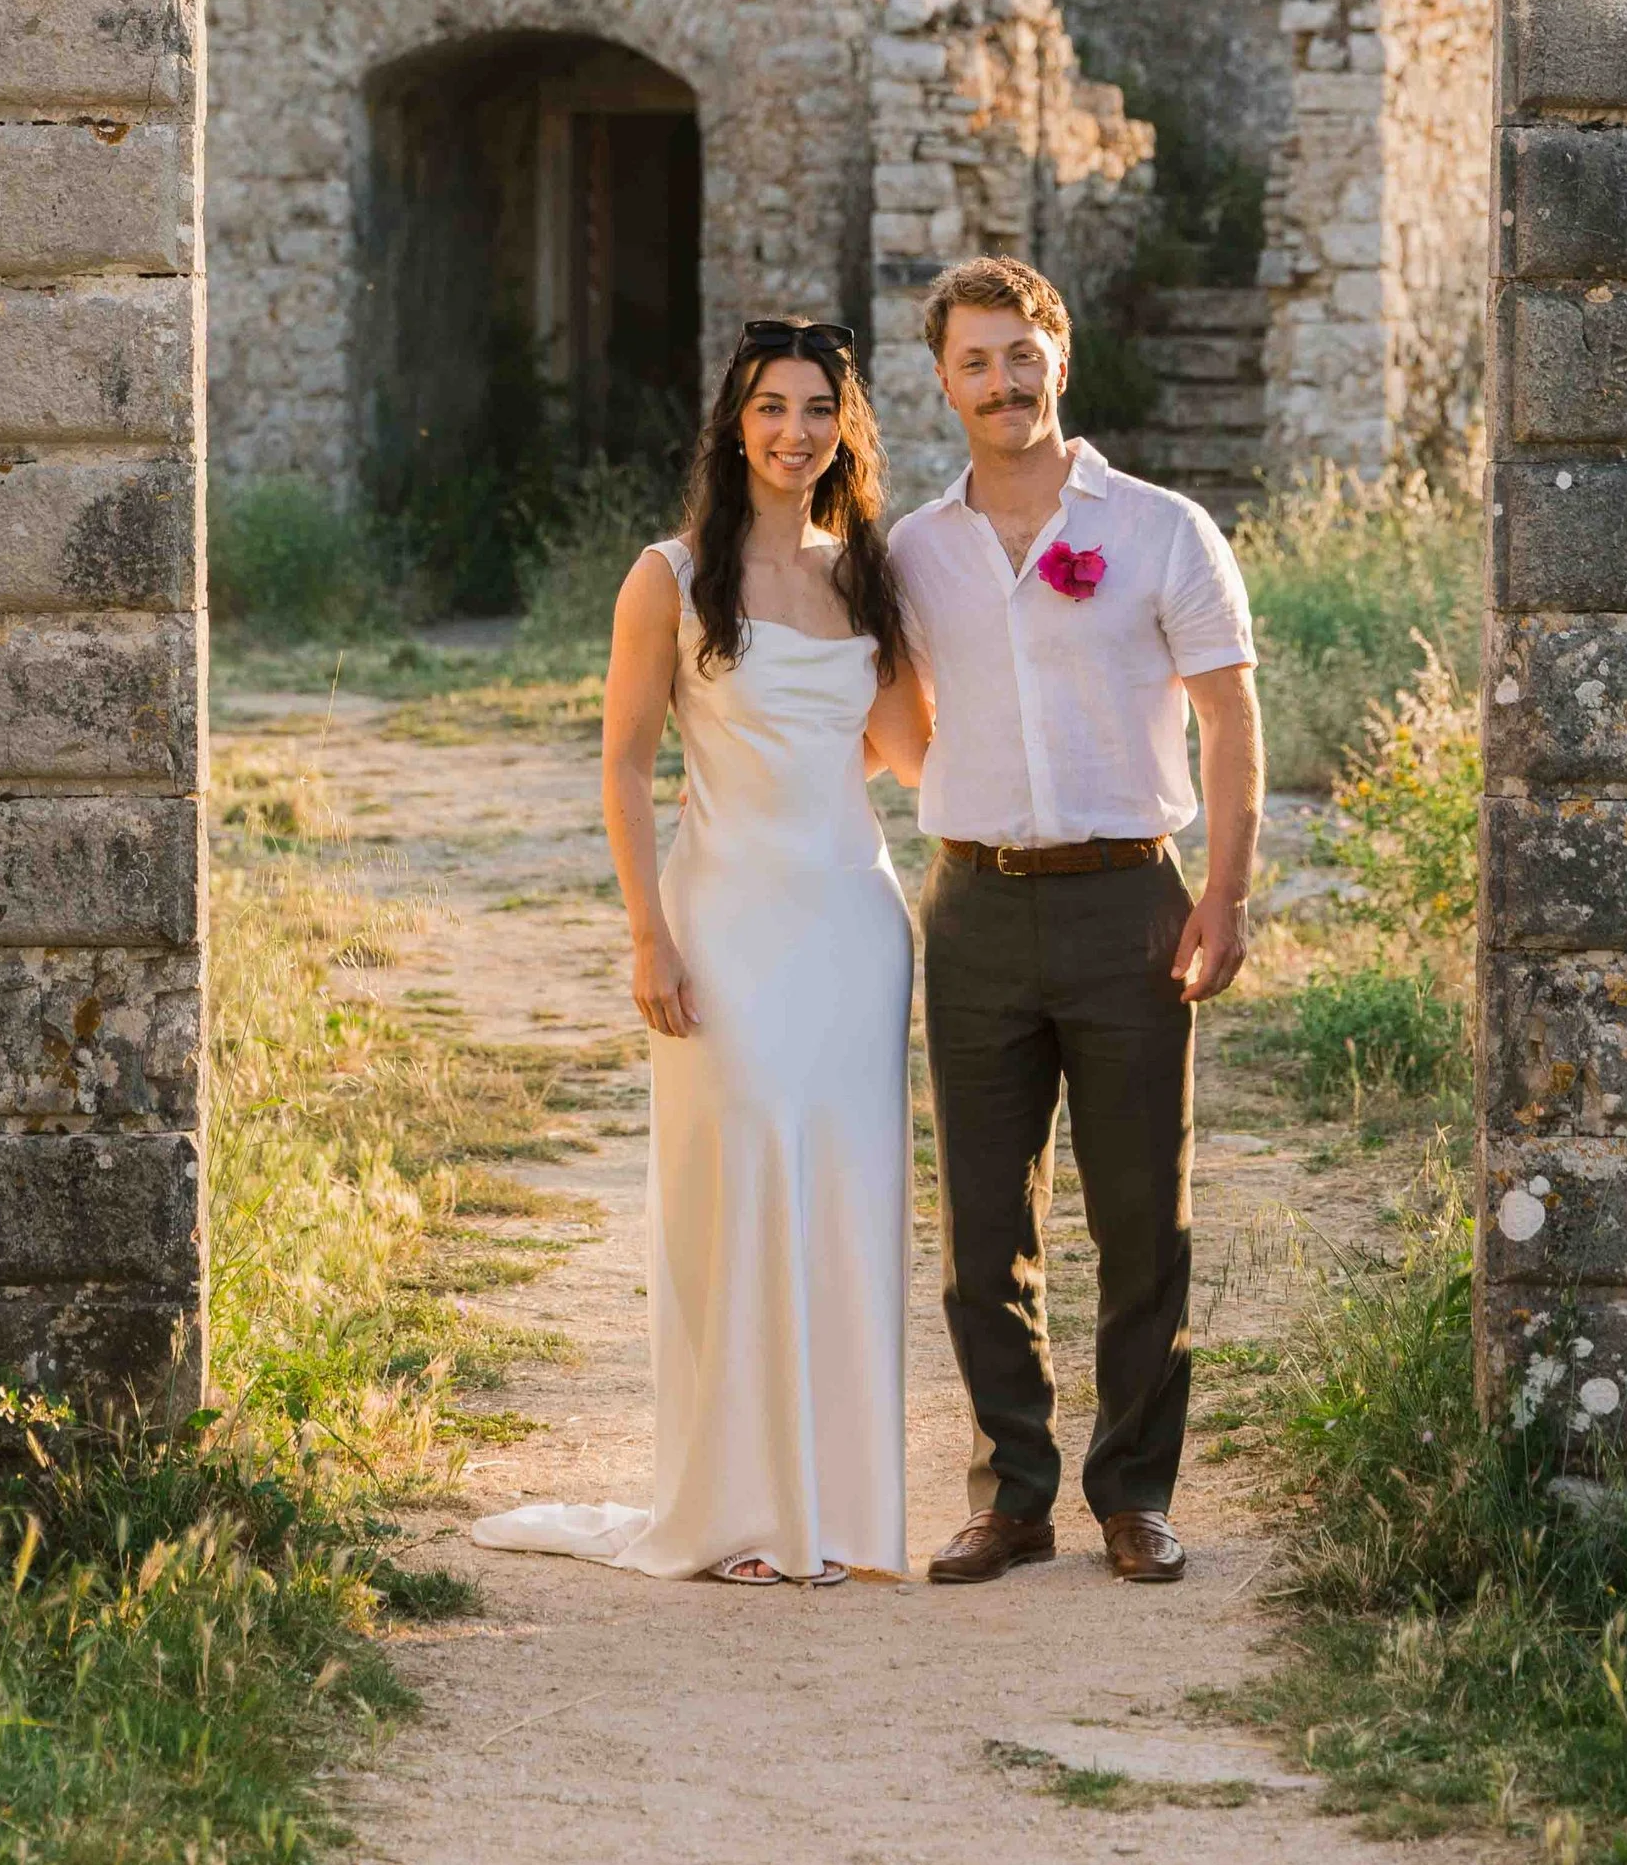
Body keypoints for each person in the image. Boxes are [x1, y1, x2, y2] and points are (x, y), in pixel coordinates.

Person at [472, 318, 929, 1586]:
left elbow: (912, 755)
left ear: (847, 428)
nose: (796, 432)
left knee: (845, 1197)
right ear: (735, 424)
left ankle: (831, 1515)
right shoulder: (667, 578)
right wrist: (647, 936)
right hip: (723, 919)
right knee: (735, 1192)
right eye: (773, 408)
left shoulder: (868, 576)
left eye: (818, 411)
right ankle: (733, 1510)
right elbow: (622, 764)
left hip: (851, 920)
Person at [890, 254, 1262, 1590]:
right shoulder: (913, 548)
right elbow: (882, 700)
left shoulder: (1162, 528)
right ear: (943, 381)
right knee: (984, 1223)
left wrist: (1221, 893)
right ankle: (1011, 1494)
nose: (1003, 380)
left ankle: (1134, 1494)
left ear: (1062, 357)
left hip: (1128, 901)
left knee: (1139, 1214)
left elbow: (1226, 714)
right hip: (973, 904)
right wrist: (944, 779)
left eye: (1022, 351)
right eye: (975, 360)